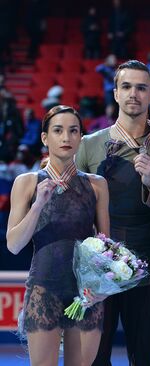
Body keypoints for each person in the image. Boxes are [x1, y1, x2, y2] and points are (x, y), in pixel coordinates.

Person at [76, 60, 150, 366]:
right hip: (97, 270)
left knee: (144, 358)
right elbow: (75, 210)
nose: (134, 94)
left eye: (142, 88)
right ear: (116, 93)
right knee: (93, 358)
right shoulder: (89, 145)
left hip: (148, 267)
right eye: (127, 87)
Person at [7, 105, 110, 366]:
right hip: (44, 291)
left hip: (86, 295)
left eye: (73, 131)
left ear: (80, 137)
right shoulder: (27, 183)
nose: (66, 137)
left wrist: (102, 288)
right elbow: (13, 245)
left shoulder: (97, 185)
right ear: (45, 138)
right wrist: (38, 205)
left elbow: (106, 247)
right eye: (58, 130)